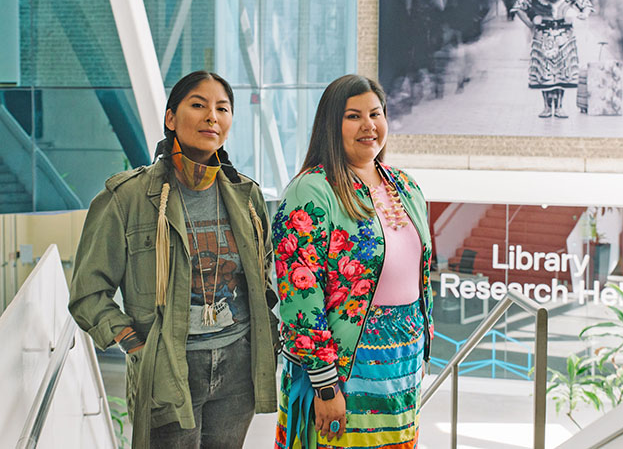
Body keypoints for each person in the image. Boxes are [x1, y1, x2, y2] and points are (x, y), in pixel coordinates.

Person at [69, 71, 279, 449]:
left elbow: (262, 277)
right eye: (198, 105)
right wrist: (135, 344)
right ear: (171, 118)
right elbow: (88, 292)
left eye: (222, 108)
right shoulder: (127, 197)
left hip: (238, 368)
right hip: (168, 368)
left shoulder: (247, 195)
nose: (211, 117)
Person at [273, 74, 434, 449]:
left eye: (375, 114)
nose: (368, 126)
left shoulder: (405, 186)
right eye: (353, 116)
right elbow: (300, 298)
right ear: (331, 125)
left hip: (402, 362)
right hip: (343, 367)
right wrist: (325, 386)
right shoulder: (311, 190)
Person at [513, 0, 593, 118]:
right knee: (545, 71)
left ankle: (560, 106)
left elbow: (586, 5)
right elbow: (519, 7)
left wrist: (583, 14)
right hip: (544, 35)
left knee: (562, 71)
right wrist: (530, 24)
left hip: (565, 35)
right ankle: (547, 107)